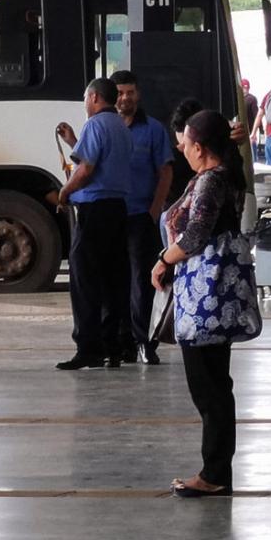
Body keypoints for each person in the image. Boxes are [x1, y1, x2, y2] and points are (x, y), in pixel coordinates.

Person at [151, 110, 246, 498]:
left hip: (206, 298)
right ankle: (215, 471)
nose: (182, 149)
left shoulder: (210, 181)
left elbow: (195, 235)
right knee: (215, 385)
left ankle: (214, 474)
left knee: (208, 388)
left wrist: (162, 261)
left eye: (187, 144)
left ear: (200, 148)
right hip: (211, 297)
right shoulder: (222, 176)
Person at [50, 77, 133, 370]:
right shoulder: (120, 127)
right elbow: (102, 159)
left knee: (84, 279)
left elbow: (86, 169)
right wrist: (74, 141)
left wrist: (65, 191)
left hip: (94, 209)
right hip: (117, 209)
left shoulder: (96, 124)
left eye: (86, 98)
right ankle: (114, 346)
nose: (86, 104)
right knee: (112, 280)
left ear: (95, 97)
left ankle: (88, 348)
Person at [112, 70, 175, 366]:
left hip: (140, 216)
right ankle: (118, 342)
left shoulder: (153, 130)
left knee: (142, 280)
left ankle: (144, 342)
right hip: (109, 215)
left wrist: (154, 211)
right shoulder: (102, 127)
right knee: (114, 279)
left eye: (130, 92)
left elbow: (165, 172)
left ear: (138, 95)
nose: (125, 98)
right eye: (120, 92)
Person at [241, 78, 261, 162]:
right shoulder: (252, 99)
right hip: (251, 130)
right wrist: (259, 130)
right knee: (253, 154)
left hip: (242, 129)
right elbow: (256, 115)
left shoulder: (239, 100)